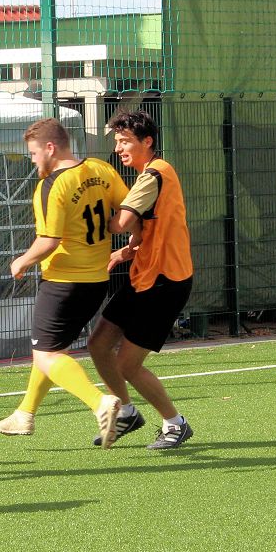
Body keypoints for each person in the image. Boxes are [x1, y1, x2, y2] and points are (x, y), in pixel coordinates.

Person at [0, 117, 128, 446]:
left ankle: (100, 402)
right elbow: (126, 212)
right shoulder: (100, 169)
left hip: (64, 282)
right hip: (97, 281)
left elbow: (49, 241)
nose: (33, 160)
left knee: (47, 356)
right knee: (50, 350)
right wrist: (128, 238)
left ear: (50, 148)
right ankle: (24, 414)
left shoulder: (52, 185)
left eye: (34, 153)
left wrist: (21, 261)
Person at [87, 110, 196, 450]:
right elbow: (150, 228)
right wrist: (125, 253)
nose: (118, 148)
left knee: (127, 364)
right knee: (98, 344)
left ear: (147, 141)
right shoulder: (149, 176)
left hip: (166, 282)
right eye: (117, 142)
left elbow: (120, 223)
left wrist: (85, 209)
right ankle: (127, 413)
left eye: (125, 141)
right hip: (145, 274)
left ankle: (175, 423)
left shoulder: (154, 174)